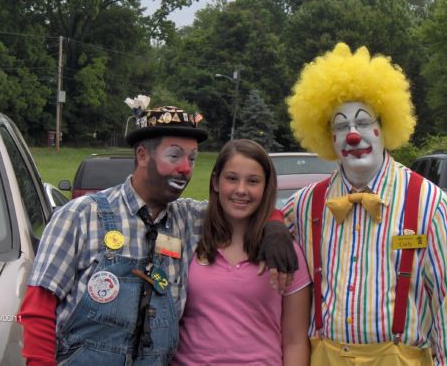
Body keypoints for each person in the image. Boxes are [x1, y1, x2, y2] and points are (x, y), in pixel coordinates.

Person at [17, 101, 298, 365]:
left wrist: (274, 225)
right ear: (142, 155)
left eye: (192, 158)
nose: (185, 169)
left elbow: (240, 202)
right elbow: (38, 309)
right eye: (174, 156)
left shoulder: (189, 219)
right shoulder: (80, 216)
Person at [281, 43, 447, 365]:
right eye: (341, 126)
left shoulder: (429, 204)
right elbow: (256, 224)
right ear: (328, 138)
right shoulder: (305, 205)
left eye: (362, 121)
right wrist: (274, 227)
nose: (353, 135)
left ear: (383, 128)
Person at [172, 139, 311, 365]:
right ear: (216, 182)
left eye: (253, 181)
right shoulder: (191, 235)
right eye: (232, 178)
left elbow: (295, 340)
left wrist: (275, 223)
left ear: (266, 187)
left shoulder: (284, 250)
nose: (241, 190)